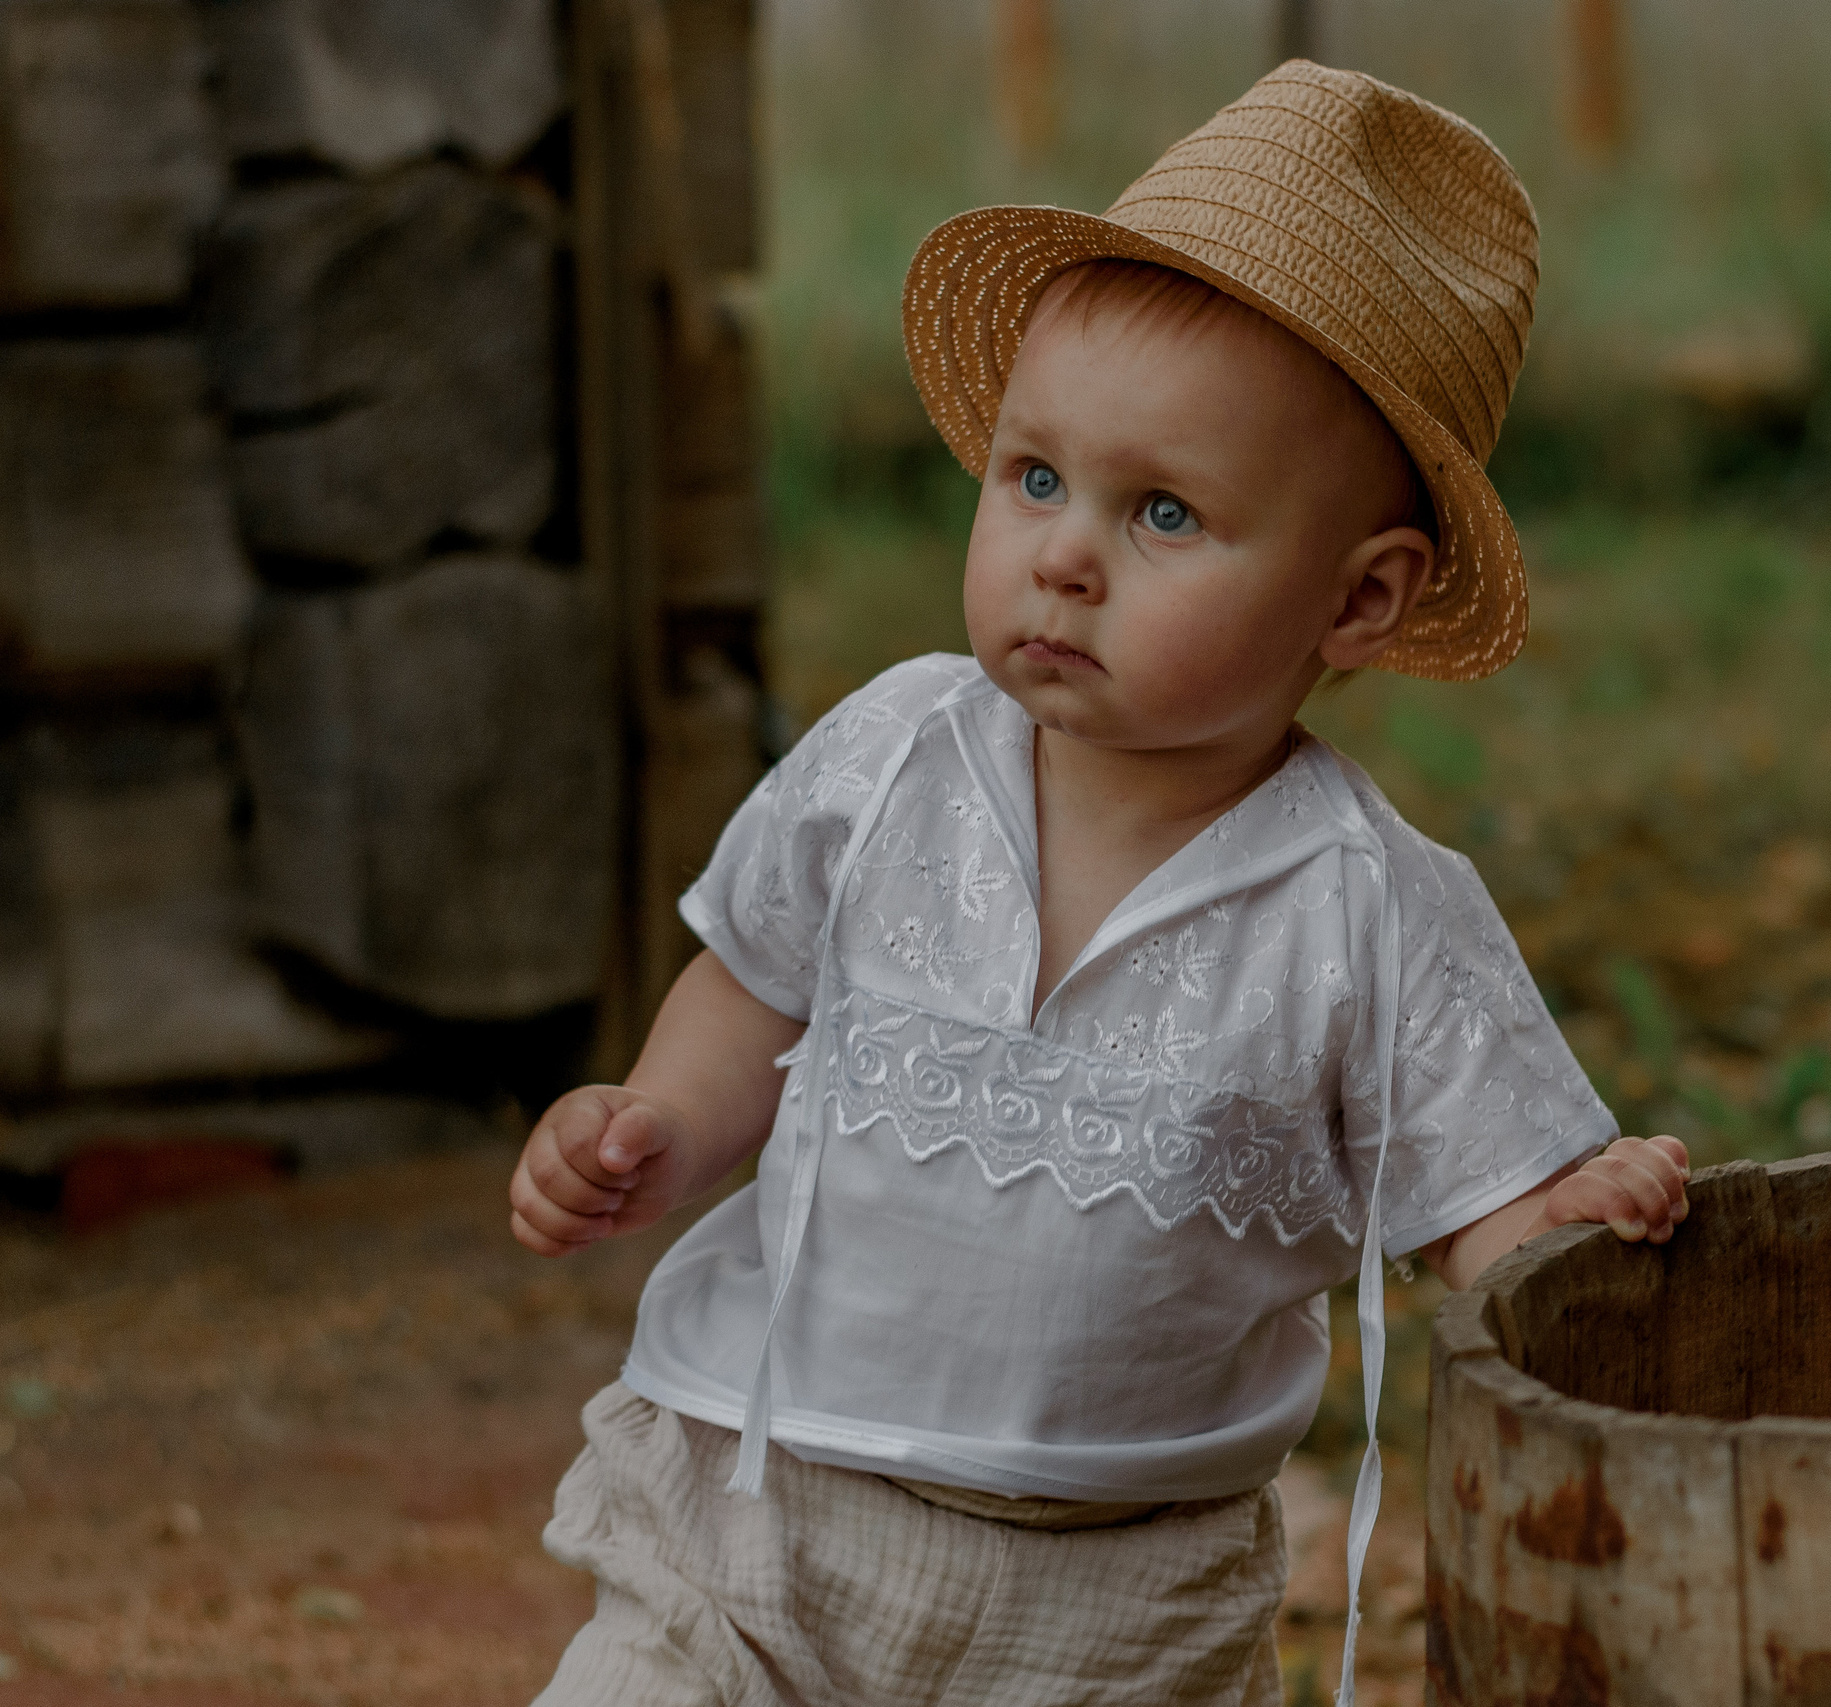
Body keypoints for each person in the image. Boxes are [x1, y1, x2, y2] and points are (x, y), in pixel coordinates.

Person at [511, 60, 1690, 1707]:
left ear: (1358, 603)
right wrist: (656, 1121)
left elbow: (1480, 1209)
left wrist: (1561, 1215)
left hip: (1117, 1598)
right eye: (1035, 478)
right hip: (763, 1503)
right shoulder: (891, 756)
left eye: (1163, 512)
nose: (1065, 554)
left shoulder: (1369, 910)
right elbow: (755, 984)